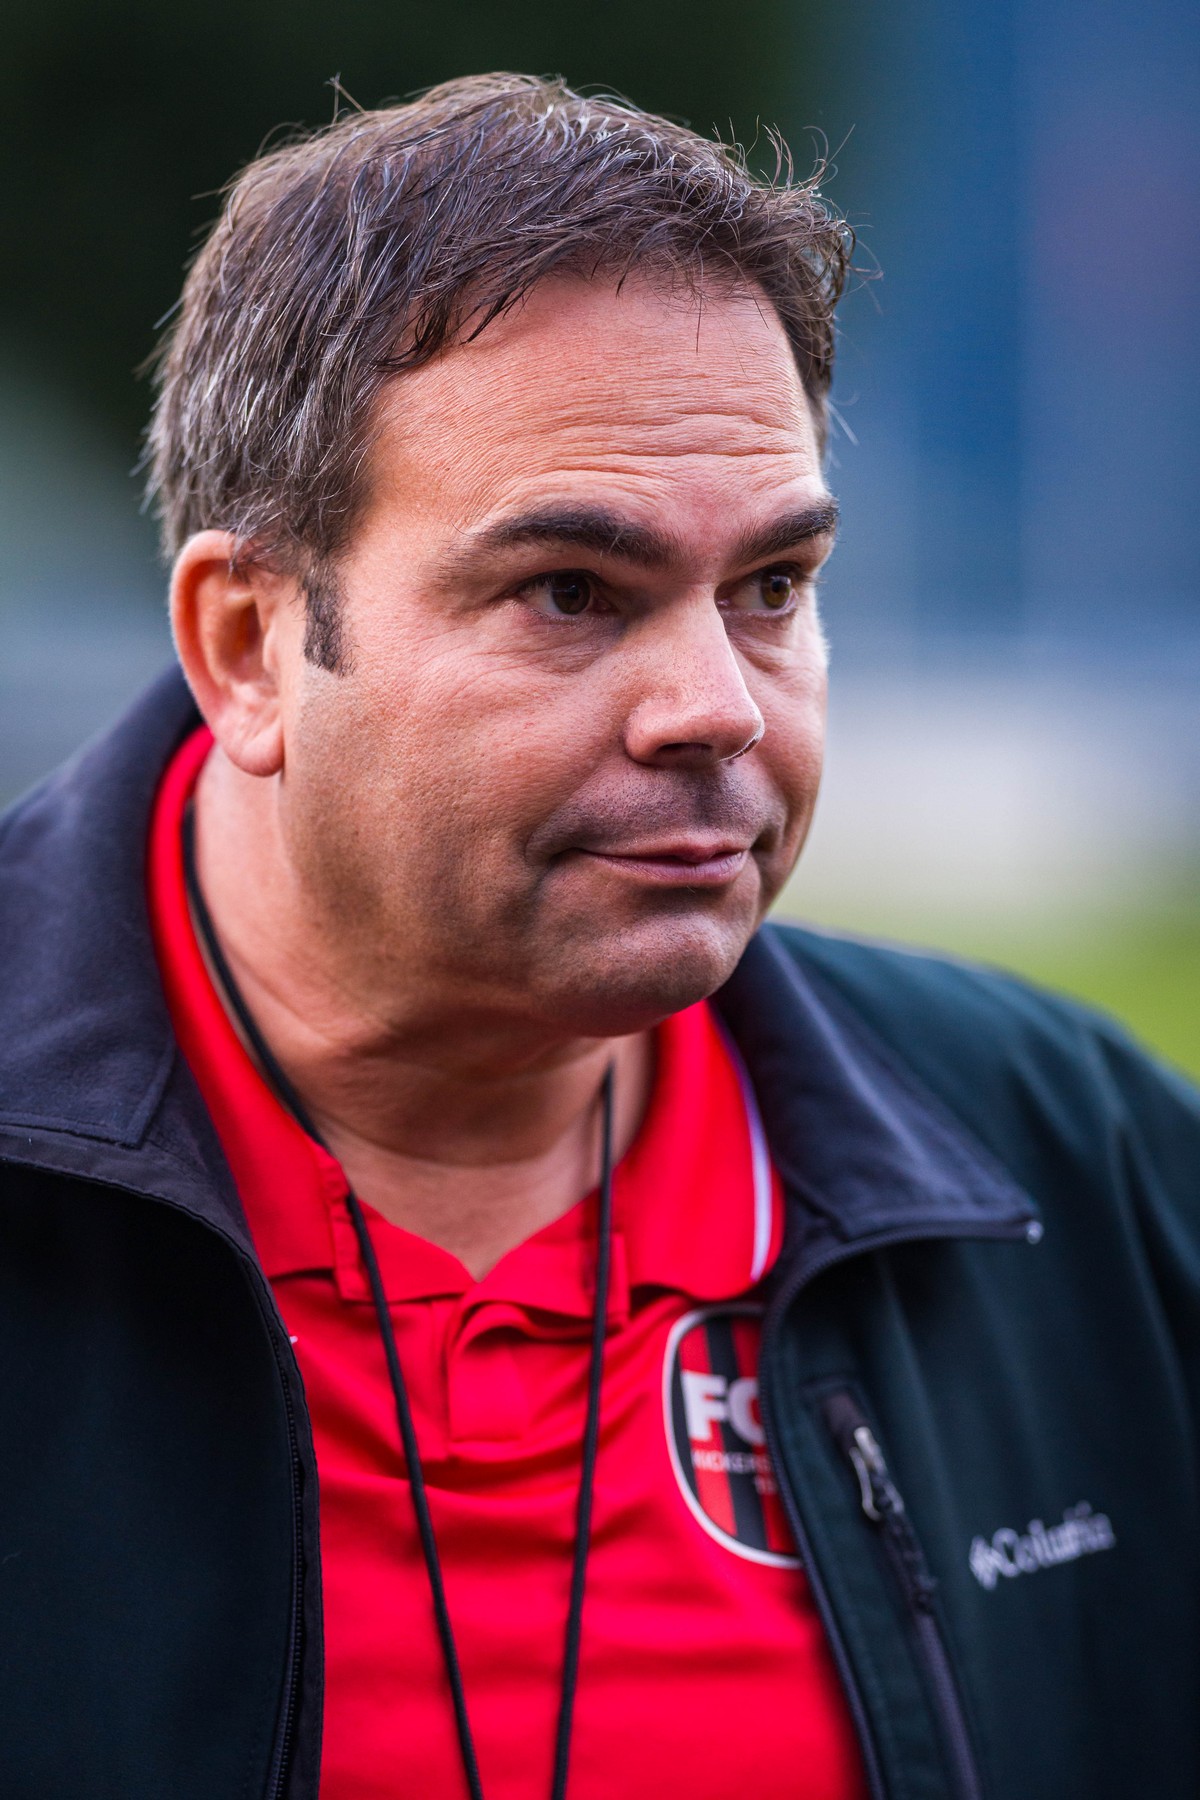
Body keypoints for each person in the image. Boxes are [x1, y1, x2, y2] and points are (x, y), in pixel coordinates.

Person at [0, 70, 1197, 1800]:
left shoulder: (1067, 1168)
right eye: (571, 592)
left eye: (773, 587)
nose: (717, 706)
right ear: (250, 645)